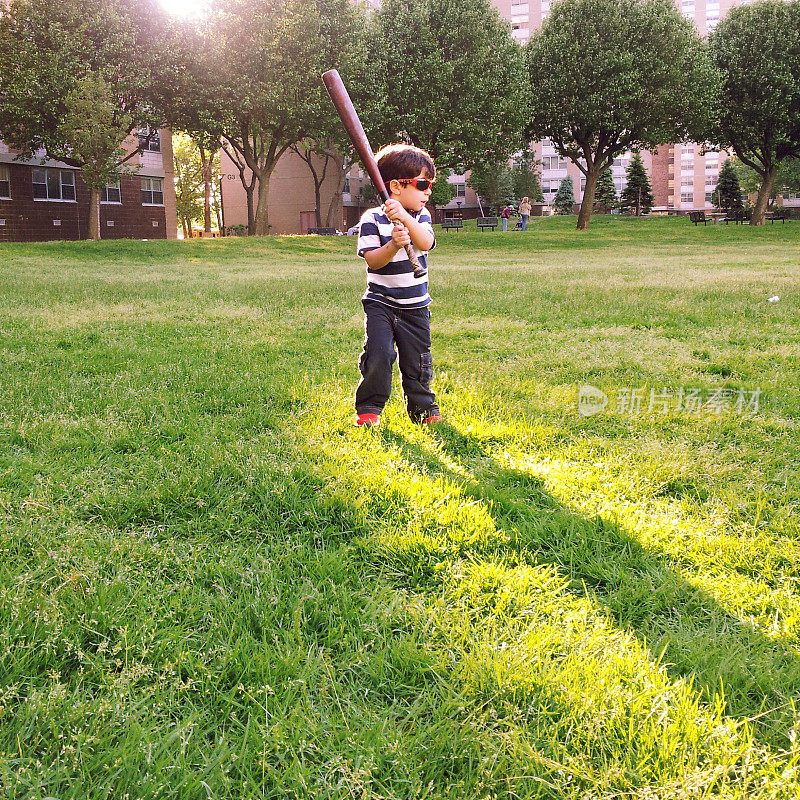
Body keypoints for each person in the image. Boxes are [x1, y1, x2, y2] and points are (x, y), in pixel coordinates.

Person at [353, 143, 443, 428]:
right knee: (379, 354)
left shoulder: (421, 217)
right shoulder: (372, 219)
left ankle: (423, 409)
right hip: (380, 303)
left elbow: (426, 242)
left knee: (418, 361)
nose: (428, 191)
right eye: (422, 184)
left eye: (430, 184)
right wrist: (393, 244)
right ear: (395, 186)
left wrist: (404, 219)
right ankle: (369, 407)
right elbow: (374, 262)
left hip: (415, 306)